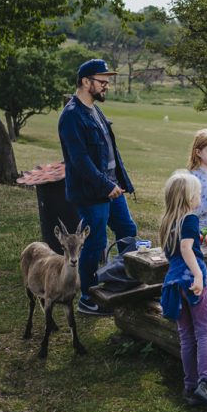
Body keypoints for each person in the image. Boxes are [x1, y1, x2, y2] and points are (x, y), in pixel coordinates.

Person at [58, 59, 137, 317]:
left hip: (110, 187)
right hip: (91, 191)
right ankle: (88, 298)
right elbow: (79, 161)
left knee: (127, 229)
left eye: (107, 82)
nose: (107, 87)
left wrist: (121, 182)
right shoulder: (71, 116)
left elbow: (110, 151)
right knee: (96, 242)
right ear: (85, 81)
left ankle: (125, 280)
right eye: (102, 82)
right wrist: (105, 186)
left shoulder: (95, 110)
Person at [158, 171, 207, 411]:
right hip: (192, 282)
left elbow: (174, 253)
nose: (200, 196)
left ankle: (189, 387)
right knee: (205, 333)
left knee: (186, 336)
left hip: (174, 283)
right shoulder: (190, 218)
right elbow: (187, 248)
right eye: (197, 193)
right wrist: (198, 275)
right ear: (188, 198)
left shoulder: (167, 222)